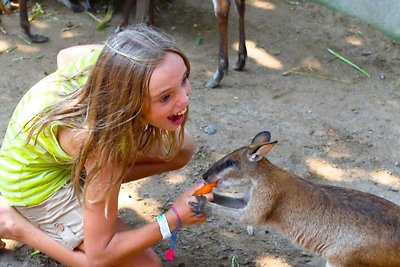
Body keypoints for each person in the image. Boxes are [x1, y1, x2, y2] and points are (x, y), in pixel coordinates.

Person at [0, 24, 212, 267]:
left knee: (180, 148)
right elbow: (100, 256)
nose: (184, 98)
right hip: (33, 186)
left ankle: (89, 184)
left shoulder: (116, 61)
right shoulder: (102, 148)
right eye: (165, 97)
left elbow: (64, 56)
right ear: (128, 101)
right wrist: (174, 217)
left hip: (67, 153)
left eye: (184, 79)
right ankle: (12, 223)